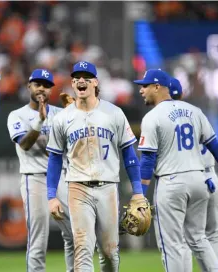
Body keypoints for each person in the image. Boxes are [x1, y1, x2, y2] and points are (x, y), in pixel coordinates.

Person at [135, 69, 218, 272]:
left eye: (145, 85)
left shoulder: (152, 117)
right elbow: (215, 147)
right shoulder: (194, 111)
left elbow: (148, 160)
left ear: (157, 87)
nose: (141, 90)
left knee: (173, 245)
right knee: (198, 238)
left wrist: (140, 195)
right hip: (199, 180)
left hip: (172, 182)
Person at [46, 61, 145, 271]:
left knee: (110, 252)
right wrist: (51, 196)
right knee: (82, 247)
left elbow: (129, 153)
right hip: (77, 187)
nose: (81, 80)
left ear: (95, 83)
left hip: (108, 187)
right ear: (72, 83)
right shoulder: (63, 118)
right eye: (77, 77)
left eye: (86, 77)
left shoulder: (114, 113)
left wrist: (137, 191)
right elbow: (54, 158)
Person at [6, 69, 74, 272]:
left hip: (61, 176)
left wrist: (77, 115)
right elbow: (25, 144)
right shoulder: (17, 115)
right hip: (33, 179)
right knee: (38, 240)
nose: (41, 88)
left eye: (46, 84)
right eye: (37, 84)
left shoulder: (62, 114)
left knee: (75, 234)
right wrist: (40, 121)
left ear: (51, 89)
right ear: (29, 86)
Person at [169, 77, 218, 271]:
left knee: (184, 237)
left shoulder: (166, 118)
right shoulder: (198, 114)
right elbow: (215, 145)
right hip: (210, 176)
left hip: (187, 177)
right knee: (213, 234)